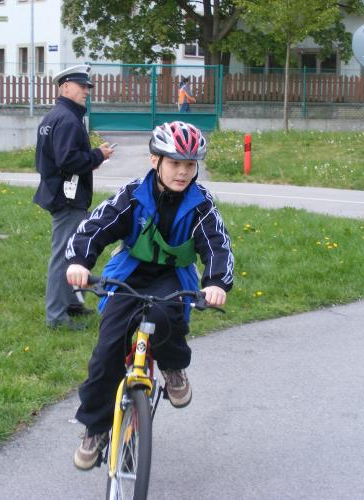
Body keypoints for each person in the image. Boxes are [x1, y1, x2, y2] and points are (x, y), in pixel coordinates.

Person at [65, 121, 234, 470]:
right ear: (155, 160)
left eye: (190, 165)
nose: (183, 172)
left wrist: (216, 282)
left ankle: (172, 368)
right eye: (175, 163)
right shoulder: (133, 195)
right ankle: (95, 429)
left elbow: (217, 244)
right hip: (129, 274)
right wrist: (80, 261)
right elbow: (97, 226)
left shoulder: (200, 204)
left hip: (172, 276)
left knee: (166, 317)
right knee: (108, 349)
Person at [33, 64, 115, 330]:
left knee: (72, 252)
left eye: (88, 88)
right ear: (65, 87)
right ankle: (57, 317)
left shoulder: (55, 116)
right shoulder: (68, 118)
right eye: (82, 87)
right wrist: (98, 156)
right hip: (67, 198)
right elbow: (69, 160)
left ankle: (71, 304)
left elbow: (51, 159)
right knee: (64, 256)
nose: (86, 92)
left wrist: (92, 154)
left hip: (59, 193)